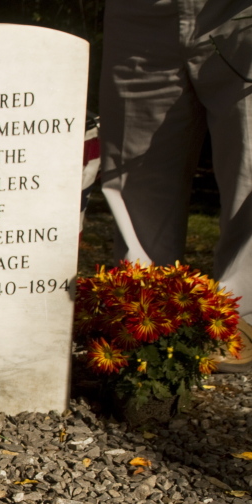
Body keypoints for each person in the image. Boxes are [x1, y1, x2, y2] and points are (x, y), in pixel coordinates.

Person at [100, 0, 252, 372]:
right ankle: (144, 313)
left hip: (235, 12)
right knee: (135, 171)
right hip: (140, 12)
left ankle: (239, 312)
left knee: (249, 164)